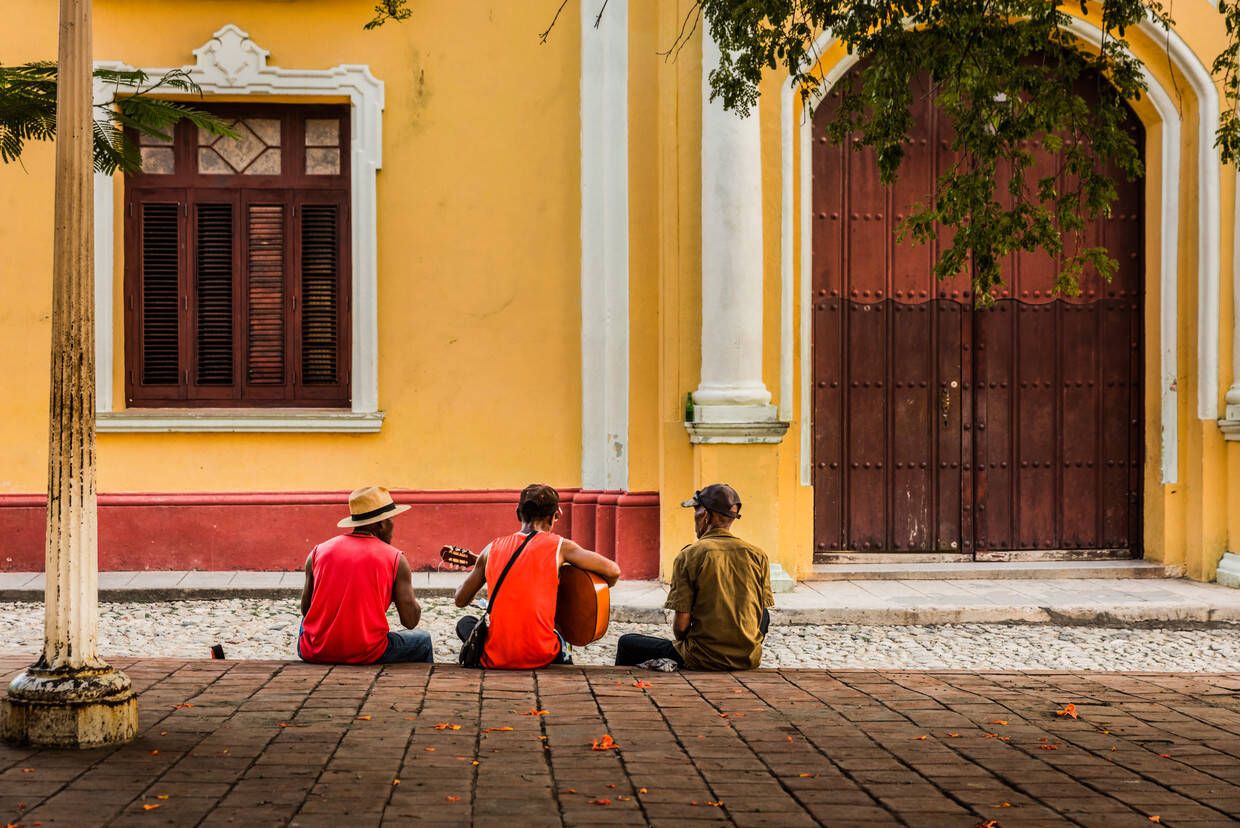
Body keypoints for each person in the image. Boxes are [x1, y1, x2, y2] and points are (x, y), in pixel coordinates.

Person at [453, 483, 620, 668]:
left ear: (518, 513)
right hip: (542, 655)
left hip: (495, 657)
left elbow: (460, 599)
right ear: (554, 516)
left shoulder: (491, 549)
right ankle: (565, 660)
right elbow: (613, 571)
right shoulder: (561, 547)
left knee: (465, 623)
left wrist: (482, 567)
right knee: (561, 630)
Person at [615, 483, 773, 671]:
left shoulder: (689, 555)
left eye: (695, 512)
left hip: (702, 657)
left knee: (627, 642)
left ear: (705, 516)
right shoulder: (757, 555)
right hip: (748, 658)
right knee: (764, 612)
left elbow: (680, 628)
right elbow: (762, 615)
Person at [297, 486, 434, 664]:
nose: (393, 526)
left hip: (314, 650)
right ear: (382, 524)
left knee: (306, 623)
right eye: (392, 520)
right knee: (423, 640)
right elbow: (410, 621)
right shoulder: (395, 559)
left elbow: (306, 611)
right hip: (366, 652)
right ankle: (423, 680)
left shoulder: (317, 552)